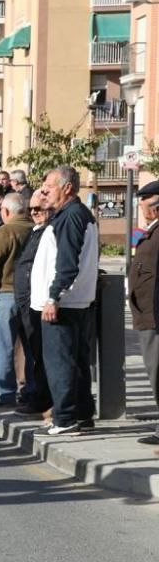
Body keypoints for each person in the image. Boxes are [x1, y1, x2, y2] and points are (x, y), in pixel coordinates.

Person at [32, 166, 99, 435]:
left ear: (67, 187)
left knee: (59, 363)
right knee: (76, 362)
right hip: (75, 302)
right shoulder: (76, 215)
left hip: (64, 304)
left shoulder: (71, 217)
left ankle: (65, 418)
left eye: (50, 186)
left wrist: (53, 298)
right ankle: (81, 414)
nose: (44, 190)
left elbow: (67, 263)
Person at [0, 192, 33, 408]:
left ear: (6, 211)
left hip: (6, 294)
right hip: (31, 297)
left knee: (3, 347)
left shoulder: (4, 232)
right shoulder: (36, 230)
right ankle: (30, 391)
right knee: (30, 348)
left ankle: (6, 394)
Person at [11, 186, 54, 418]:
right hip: (27, 303)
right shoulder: (36, 230)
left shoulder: (50, 231)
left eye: (39, 208)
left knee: (39, 355)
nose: (35, 212)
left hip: (38, 303)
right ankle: (35, 395)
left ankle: (42, 400)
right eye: (32, 209)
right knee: (32, 353)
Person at [129, 181, 159, 443]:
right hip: (147, 315)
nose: (142, 210)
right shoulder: (152, 232)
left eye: (145, 206)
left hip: (154, 316)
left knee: (157, 370)